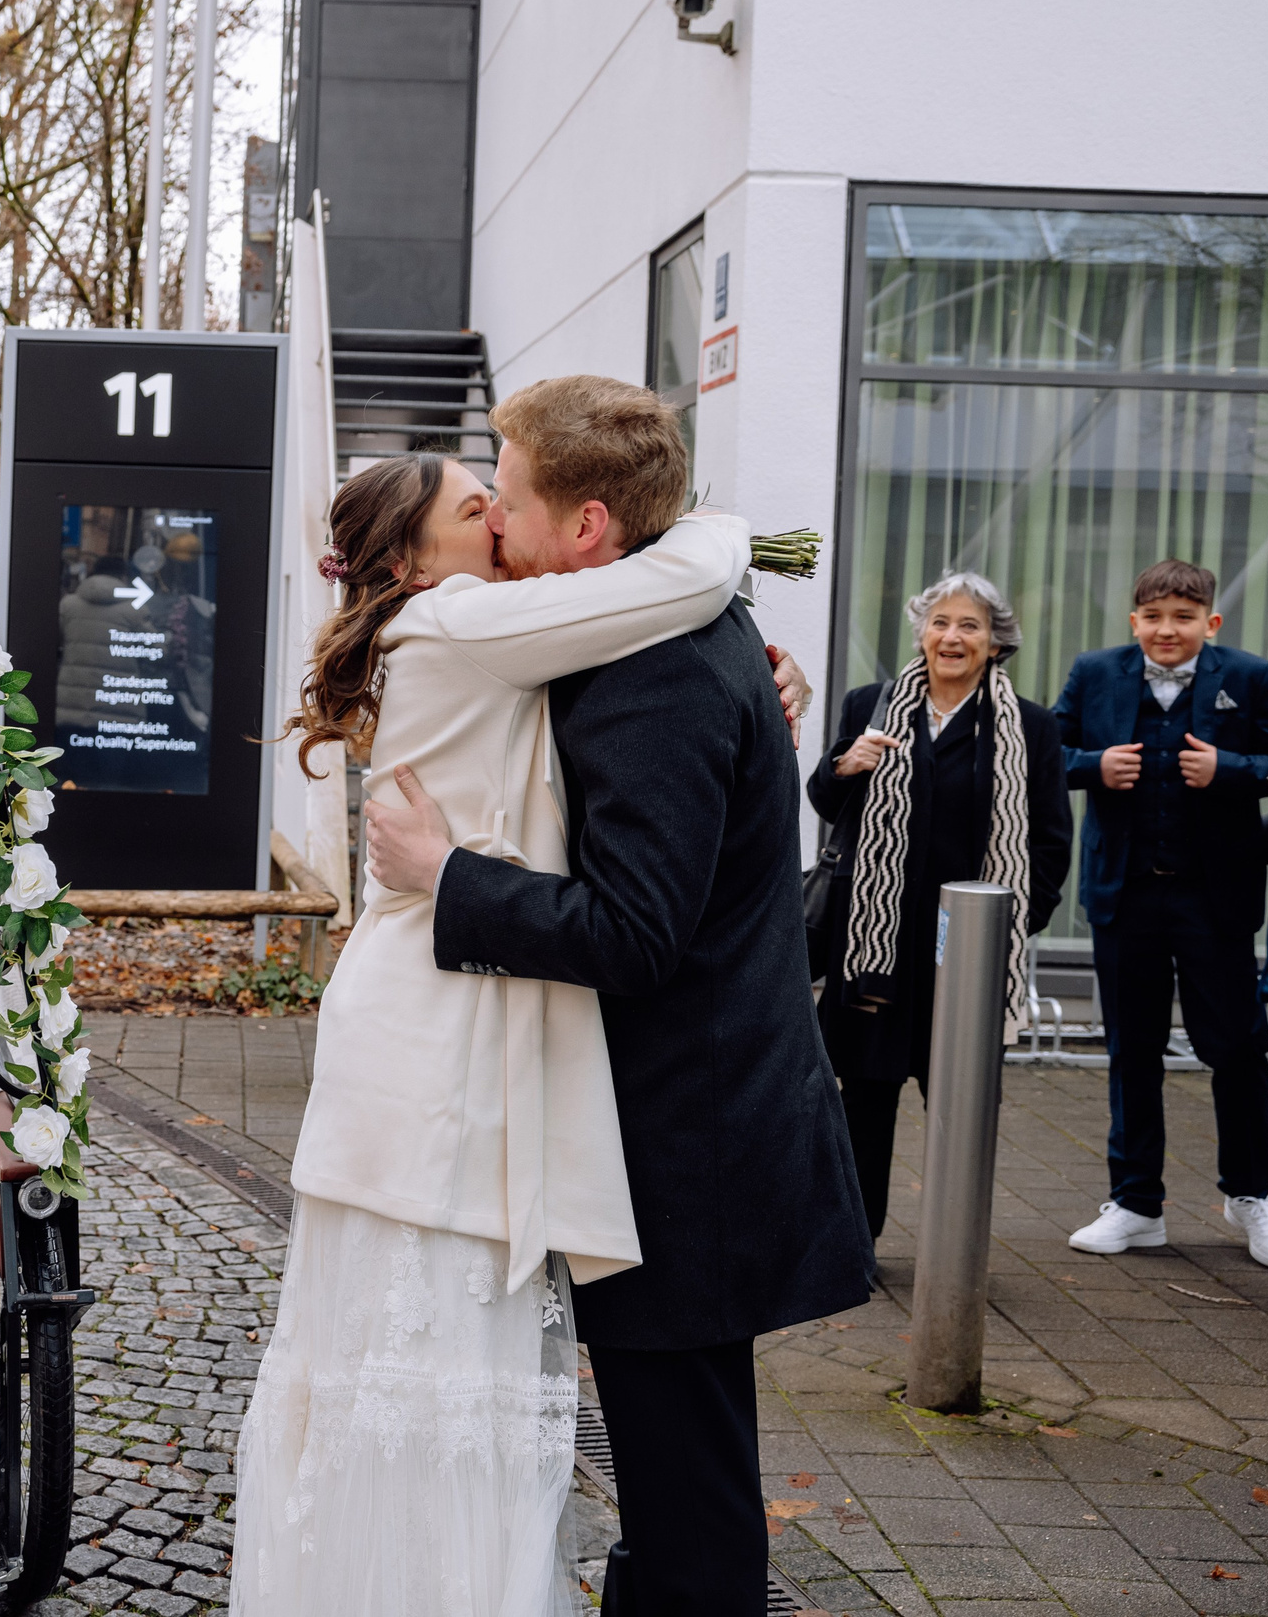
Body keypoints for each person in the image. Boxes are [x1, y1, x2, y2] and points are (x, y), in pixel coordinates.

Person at [229, 434, 814, 1617]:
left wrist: (754, 681)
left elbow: (658, 653)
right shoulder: (449, 620)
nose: (497, 517)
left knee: (448, 1365)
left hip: (465, 996)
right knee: (421, 1348)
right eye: (474, 502)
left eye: (502, 493)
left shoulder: (502, 630)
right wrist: (724, 536)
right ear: (407, 558)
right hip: (435, 1019)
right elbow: (674, 585)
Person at [360, 377, 871, 1616]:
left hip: (684, 1143)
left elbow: (636, 933)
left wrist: (449, 878)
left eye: (509, 493)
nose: (492, 524)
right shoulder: (649, 630)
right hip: (688, 1123)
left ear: (587, 529)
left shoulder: (658, 672)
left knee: (686, 1486)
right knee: (677, 1474)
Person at [1053, 560, 1268, 1268]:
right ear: (1135, 622)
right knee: (1131, 1050)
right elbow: (1048, 752)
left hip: (1213, 896)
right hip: (1124, 894)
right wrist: (1093, 765)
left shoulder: (1250, 676)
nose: (1168, 629)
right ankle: (1136, 1204)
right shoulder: (1095, 671)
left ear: (1210, 623)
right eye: (1154, 616)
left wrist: (1228, 769)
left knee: (1236, 1046)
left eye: (1184, 617)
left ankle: (1250, 1194)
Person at [808, 572, 1071, 1249]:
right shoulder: (870, 704)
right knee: (864, 1099)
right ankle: (853, 1244)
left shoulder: (1030, 726)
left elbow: (1048, 840)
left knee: (962, 1104)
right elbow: (826, 806)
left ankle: (955, 1247)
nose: (952, 636)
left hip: (966, 951)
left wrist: (1009, 927)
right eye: (940, 622)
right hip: (875, 946)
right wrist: (846, 763)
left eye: (970, 625)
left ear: (996, 642)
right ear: (921, 632)